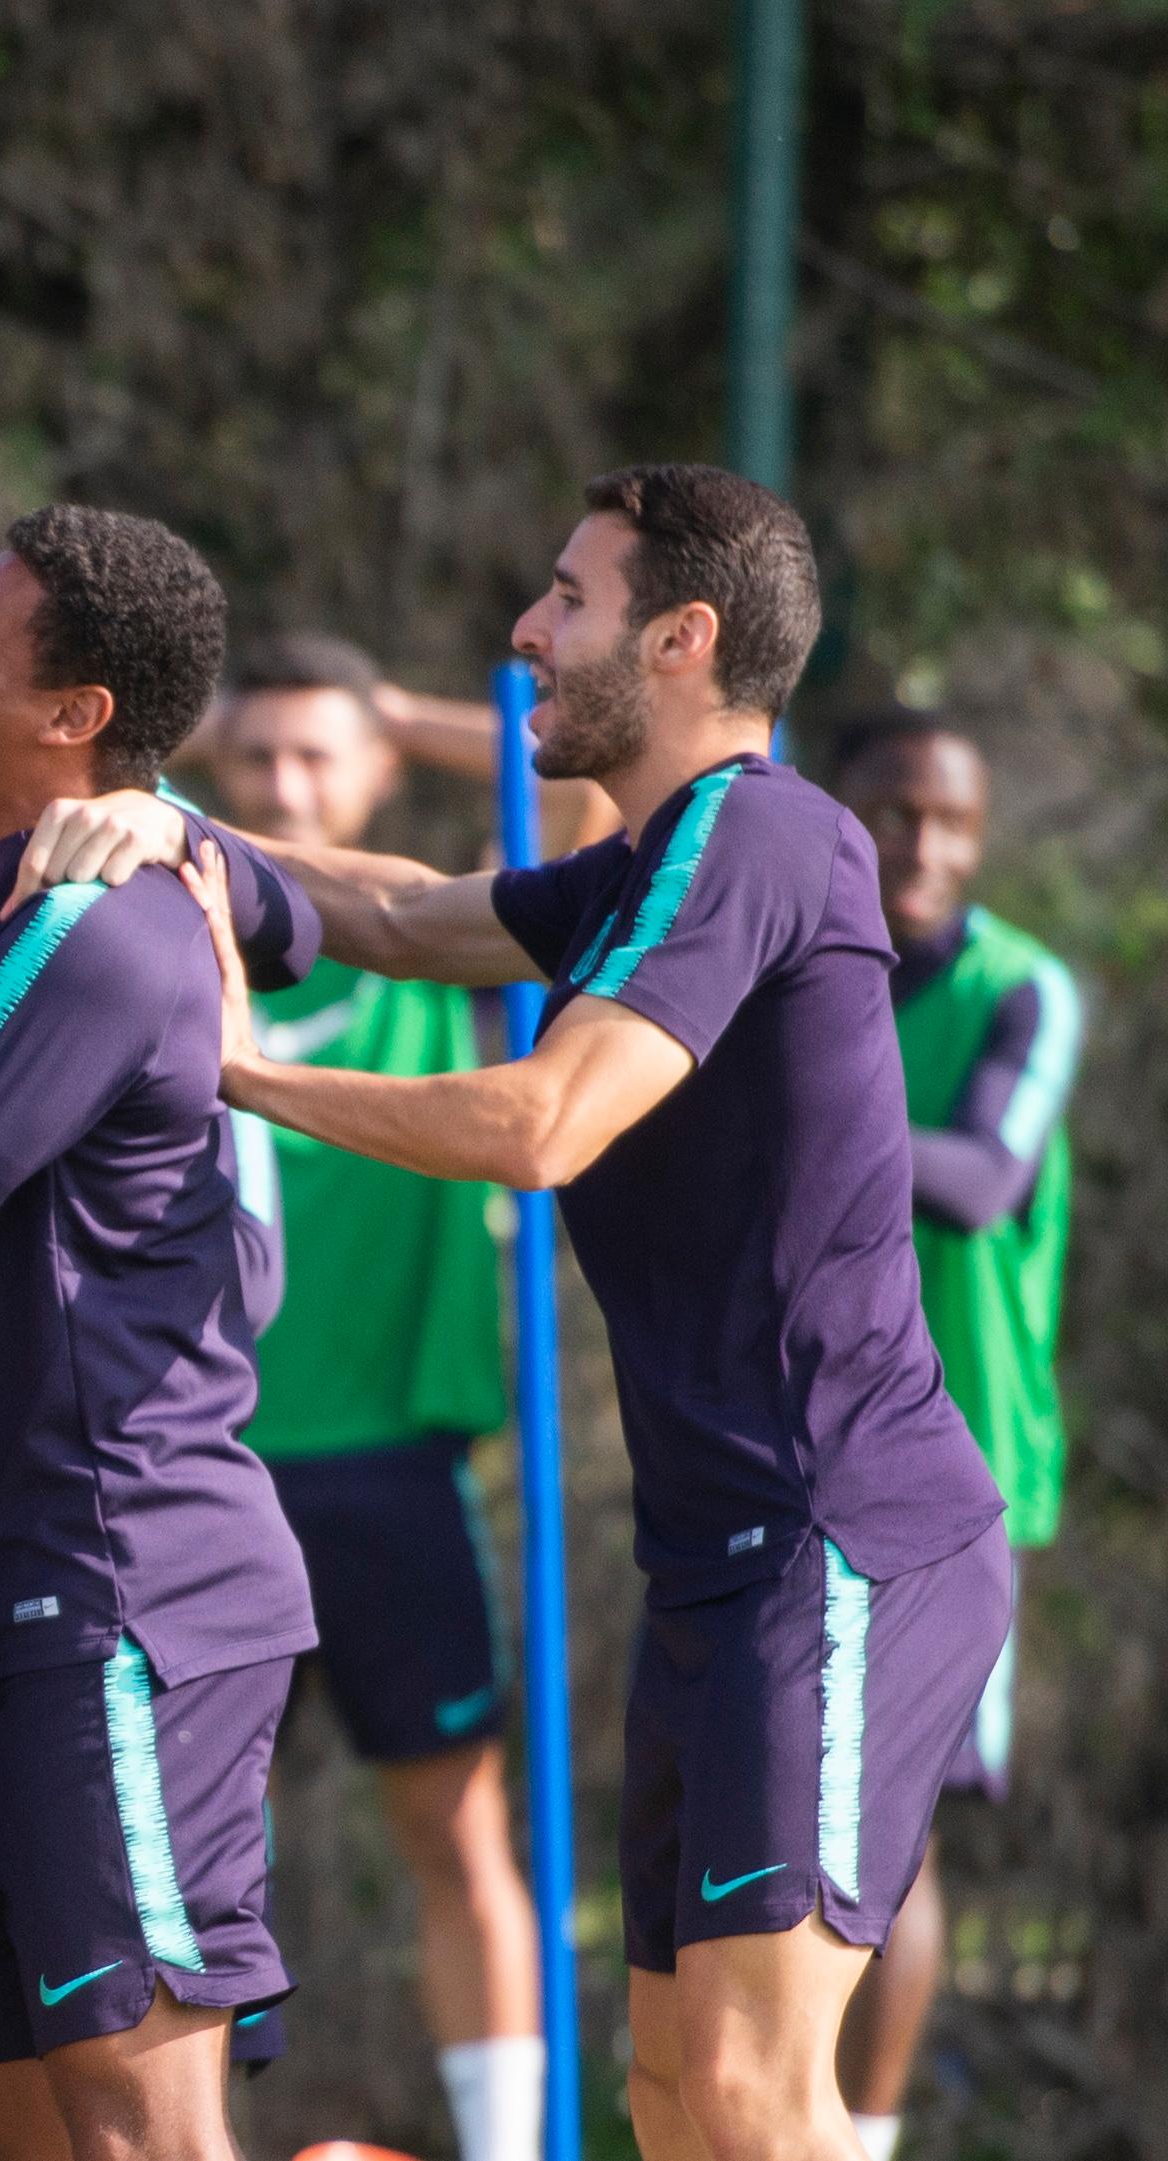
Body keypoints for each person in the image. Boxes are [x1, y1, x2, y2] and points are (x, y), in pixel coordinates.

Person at [194, 464, 1015, 2161]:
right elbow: (400, 912)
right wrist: (155, 822)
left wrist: (241, 1076)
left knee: (748, 2090)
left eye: (565, 599)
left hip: (848, 1544)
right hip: (723, 1561)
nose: (523, 633)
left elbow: (540, 1121)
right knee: (667, 2095)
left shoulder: (759, 831)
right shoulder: (650, 863)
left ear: (679, 639)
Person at [0, 506, 319, 2161]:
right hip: (28, 1599)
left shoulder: (83, 930)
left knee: (140, 2125)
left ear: (76, 714)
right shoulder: (10, 884)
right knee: (17, 2125)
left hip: (132, 1593)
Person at [200, 633, 546, 2161]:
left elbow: (592, 801)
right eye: (255, 756)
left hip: (392, 1471)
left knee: (457, 1828)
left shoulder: (445, 952)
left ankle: (505, 2142)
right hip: (197, 1479)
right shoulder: (172, 920)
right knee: (184, 1859)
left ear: (381, 770)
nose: (284, 781)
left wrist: (392, 705)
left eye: (317, 755)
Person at [824, 712, 1081, 2161]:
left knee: (894, 1838)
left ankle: (865, 2139)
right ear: (835, 812)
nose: (924, 845)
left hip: (956, 1478)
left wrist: (792, 1105)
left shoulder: (1020, 989)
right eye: (895, 811)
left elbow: (981, 1178)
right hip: (798, 1464)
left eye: (954, 820)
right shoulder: (812, 973)